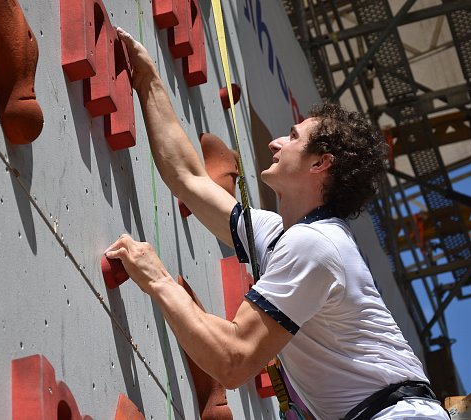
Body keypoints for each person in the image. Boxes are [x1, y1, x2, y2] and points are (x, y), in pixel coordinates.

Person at [104, 27, 449, 420]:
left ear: (320, 164)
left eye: (292, 137)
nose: (275, 144)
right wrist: (148, 79)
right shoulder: (286, 236)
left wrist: (157, 279)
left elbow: (233, 360)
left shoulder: (315, 245)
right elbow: (189, 178)